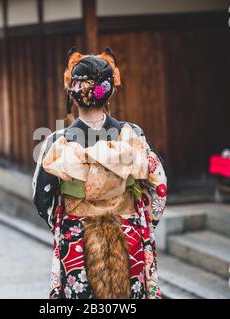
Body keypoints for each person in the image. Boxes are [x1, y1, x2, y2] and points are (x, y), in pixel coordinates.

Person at [32, 48, 167, 299]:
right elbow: (158, 184)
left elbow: (42, 197)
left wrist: (64, 223)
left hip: (76, 235)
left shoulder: (57, 141)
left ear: (73, 94)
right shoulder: (132, 134)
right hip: (129, 231)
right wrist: (144, 221)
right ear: (110, 92)